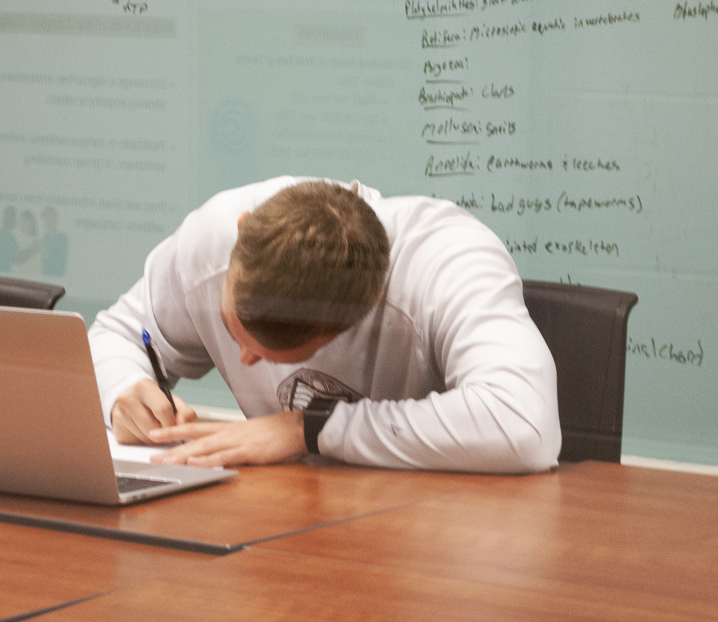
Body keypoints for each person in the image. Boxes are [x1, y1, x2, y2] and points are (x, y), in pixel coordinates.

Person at [88, 177, 560, 473]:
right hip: (282, 510)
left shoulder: (450, 263)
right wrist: (124, 386)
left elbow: (524, 426)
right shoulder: (212, 238)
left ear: (367, 306)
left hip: (428, 528)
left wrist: (309, 429)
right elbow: (120, 334)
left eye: (269, 351)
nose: (243, 360)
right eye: (233, 329)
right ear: (243, 229)